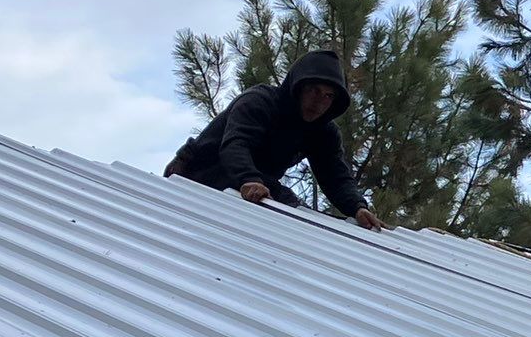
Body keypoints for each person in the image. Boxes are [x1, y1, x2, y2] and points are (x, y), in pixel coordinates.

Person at [164, 46, 384, 229]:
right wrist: (249, 178)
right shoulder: (259, 102)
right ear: (298, 88)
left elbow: (335, 175)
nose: (320, 101)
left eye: (328, 96)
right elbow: (235, 145)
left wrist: (357, 207)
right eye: (314, 91)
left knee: (293, 210)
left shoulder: (323, 132)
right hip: (197, 173)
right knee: (284, 201)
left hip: (252, 183)